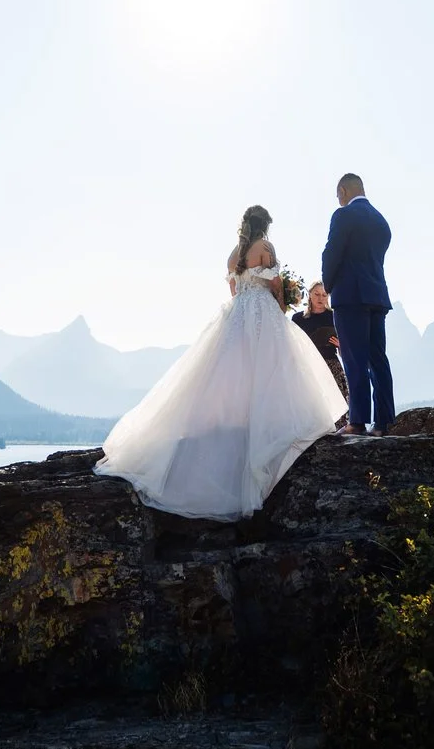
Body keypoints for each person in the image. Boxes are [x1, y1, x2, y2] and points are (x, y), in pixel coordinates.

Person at [96, 205, 347, 519]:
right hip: (261, 314)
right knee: (272, 372)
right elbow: (275, 288)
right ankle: (270, 436)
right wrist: (282, 305)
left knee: (234, 377)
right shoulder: (265, 248)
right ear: (265, 227)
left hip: (238, 314)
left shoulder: (233, 255)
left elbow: (233, 290)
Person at [320, 173, 395, 435]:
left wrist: (327, 285)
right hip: (377, 296)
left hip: (351, 296)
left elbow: (332, 252)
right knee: (378, 358)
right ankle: (384, 422)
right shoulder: (381, 221)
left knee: (354, 359)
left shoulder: (343, 216)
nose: (338, 200)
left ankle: (358, 421)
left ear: (343, 190)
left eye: (337, 194)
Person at [293, 282, 347, 398]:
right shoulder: (298, 319)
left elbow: (345, 353)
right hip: (308, 368)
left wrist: (341, 345)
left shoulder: (335, 316)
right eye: (317, 294)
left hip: (332, 367)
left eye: (324, 295)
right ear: (309, 295)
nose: (320, 298)